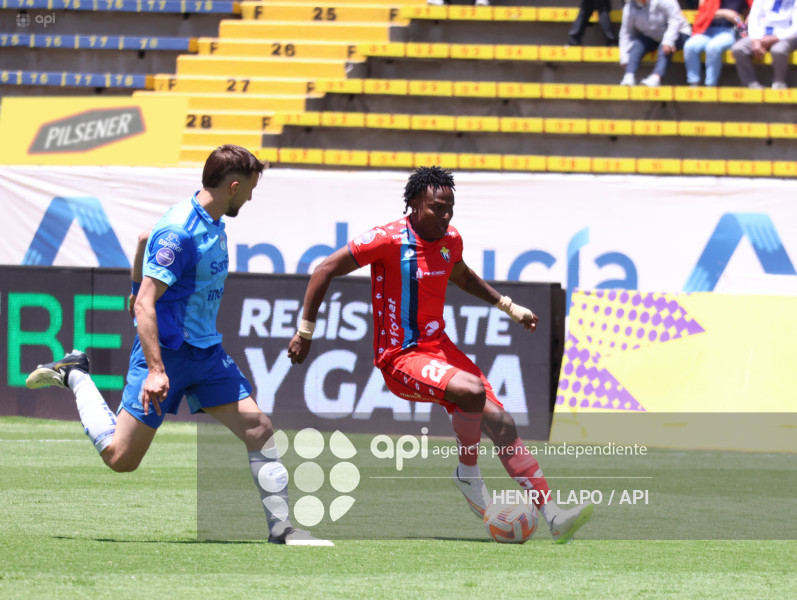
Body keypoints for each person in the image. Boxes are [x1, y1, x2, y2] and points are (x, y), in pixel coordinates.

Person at [26, 145, 331, 547]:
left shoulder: (209, 222)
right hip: (167, 355)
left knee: (259, 427)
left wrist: (140, 261)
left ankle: (282, 529)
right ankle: (77, 374)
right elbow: (144, 303)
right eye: (250, 190)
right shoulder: (182, 231)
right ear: (234, 186)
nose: (252, 198)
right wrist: (156, 369)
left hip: (207, 354)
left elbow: (144, 243)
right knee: (121, 459)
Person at [287, 166, 594, 544]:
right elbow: (325, 269)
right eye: (437, 207)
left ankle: (553, 515)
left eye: (450, 207)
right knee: (471, 391)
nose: (446, 215)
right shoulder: (386, 239)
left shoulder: (450, 239)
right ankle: (468, 473)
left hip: (439, 349)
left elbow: (461, 275)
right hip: (400, 356)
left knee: (503, 422)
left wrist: (508, 306)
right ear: (414, 205)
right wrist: (305, 331)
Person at [619, 0, 692, 86]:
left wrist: (668, 40)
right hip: (652, 36)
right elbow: (626, 33)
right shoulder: (629, 7)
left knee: (664, 47)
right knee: (637, 44)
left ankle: (656, 78)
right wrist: (624, 57)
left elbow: (675, 19)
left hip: (679, 32)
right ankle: (629, 76)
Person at [684, 0, 752, 87]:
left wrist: (745, 20)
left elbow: (747, 13)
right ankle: (693, 83)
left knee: (713, 47)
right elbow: (704, 11)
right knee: (690, 46)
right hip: (706, 30)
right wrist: (724, 13)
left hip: (730, 31)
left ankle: (710, 85)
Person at [730, 0, 797, 89]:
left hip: (785, 36)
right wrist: (755, 40)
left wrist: (777, 37)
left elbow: (795, 27)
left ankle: (779, 83)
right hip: (761, 34)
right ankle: (751, 84)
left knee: (778, 50)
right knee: (738, 48)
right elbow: (754, 18)